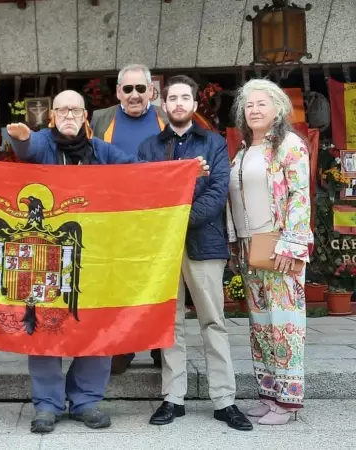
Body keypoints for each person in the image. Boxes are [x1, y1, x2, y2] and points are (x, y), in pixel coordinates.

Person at [7, 89, 209, 434]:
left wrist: (183, 172)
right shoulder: (43, 143)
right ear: (52, 116)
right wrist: (20, 139)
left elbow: (143, 173)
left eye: (75, 110)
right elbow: (27, 147)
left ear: (86, 116)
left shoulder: (101, 151)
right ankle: (47, 404)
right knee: (43, 326)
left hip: (96, 260)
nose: (69, 115)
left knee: (96, 326)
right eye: (62, 110)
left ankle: (86, 400)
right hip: (49, 259)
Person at [138, 75, 252, 431]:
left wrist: (176, 215)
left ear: (194, 104)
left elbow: (217, 193)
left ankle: (224, 400)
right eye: (172, 98)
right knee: (169, 324)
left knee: (213, 321)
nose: (178, 103)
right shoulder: (150, 147)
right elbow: (146, 194)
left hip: (204, 243)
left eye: (185, 97)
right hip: (163, 249)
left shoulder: (214, 143)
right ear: (164, 103)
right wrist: (170, 210)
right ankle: (173, 398)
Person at [226, 78, 311, 425]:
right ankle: (269, 393)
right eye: (249, 105)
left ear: (278, 109)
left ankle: (289, 402)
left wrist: (292, 243)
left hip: (279, 245)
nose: (255, 110)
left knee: (284, 323)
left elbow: (299, 195)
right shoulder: (244, 150)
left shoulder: (289, 145)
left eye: (262, 103)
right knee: (260, 324)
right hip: (250, 248)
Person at [90, 64, 168, 373]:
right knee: (119, 284)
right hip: (114, 219)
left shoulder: (166, 117)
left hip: (157, 218)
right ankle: (123, 347)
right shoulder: (100, 119)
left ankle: (161, 348)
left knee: (158, 283)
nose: (134, 95)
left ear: (151, 91)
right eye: (127, 89)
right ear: (118, 92)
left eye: (140, 89)